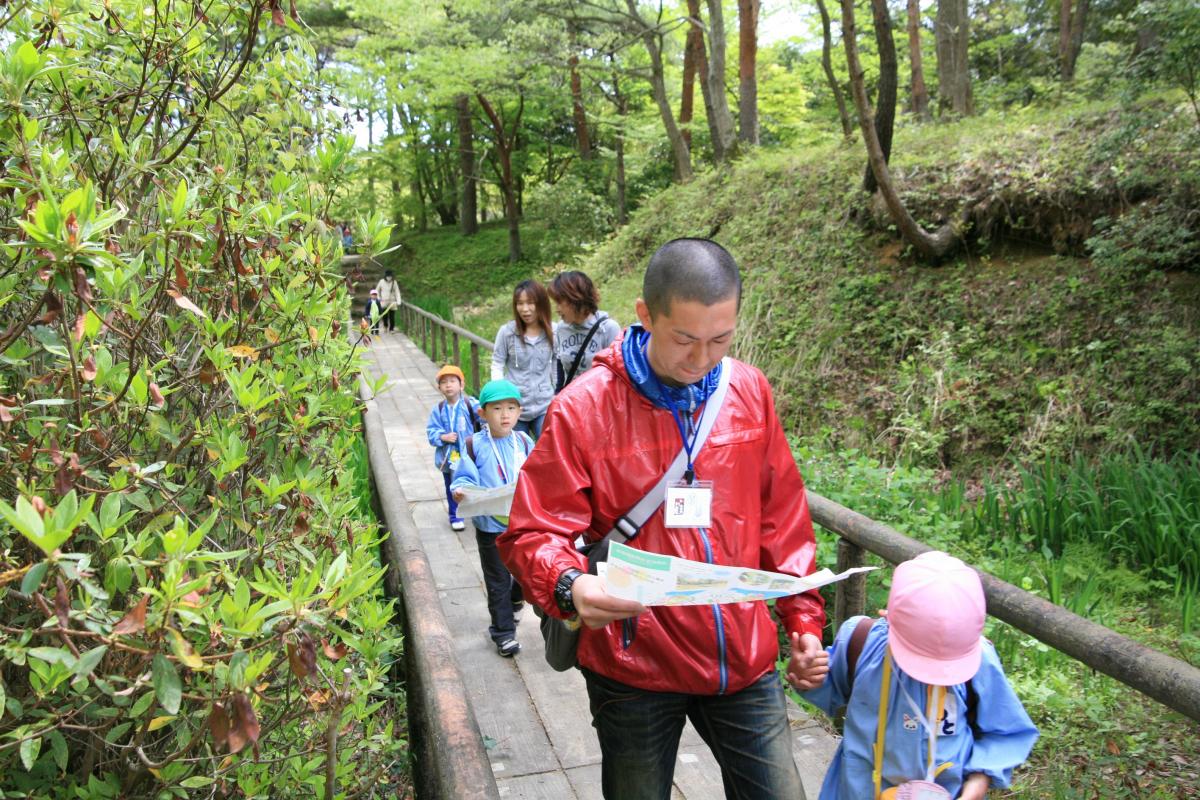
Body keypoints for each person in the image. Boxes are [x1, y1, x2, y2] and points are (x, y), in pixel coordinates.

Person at [499, 239, 826, 800]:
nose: (702, 358)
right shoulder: (584, 408)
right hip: (634, 665)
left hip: (742, 659)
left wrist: (803, 622)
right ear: (646, 316)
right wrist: (569, 584)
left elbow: (783, 517)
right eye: (685, 339)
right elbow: (534, 530)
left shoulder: (749, 391)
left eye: (721, 339)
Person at [795, 551, 1039, 800]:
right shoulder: (861, 643)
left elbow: (1005, 731)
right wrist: (806, 675)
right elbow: (828, 691)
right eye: (920, 660)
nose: (934, 674)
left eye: (947, 666)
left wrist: (979, 781)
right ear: (888, 617)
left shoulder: (980, 661)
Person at [451, 380, 535, 657]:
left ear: (520, 411)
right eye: (497, 408)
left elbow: (537, 474)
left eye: (511, 408)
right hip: (490, 526)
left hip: (522, 523)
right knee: (497, 579)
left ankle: (515, 600)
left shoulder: (524, 441)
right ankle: (503, 633)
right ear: (483, 414)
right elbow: (463, 477)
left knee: (525, 574)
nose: (505, 415)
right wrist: (461, 491)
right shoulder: (475, 444)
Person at [491, 280, 555, 439]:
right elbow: (497, 363)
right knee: (518, 456)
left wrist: (557, 393)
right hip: (515, 407)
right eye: (520, 303)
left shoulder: (554, 331)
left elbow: (556, 364)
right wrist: (501, 395)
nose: (525, 309)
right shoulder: (507, 332)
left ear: (541, 303)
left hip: (544, 406)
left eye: (530, 303)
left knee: (548, 453)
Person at [425, 364, 481, 532]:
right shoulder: (439, 409)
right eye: (444, 382)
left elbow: (486, 416)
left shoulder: (470, 404)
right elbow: (431, 431)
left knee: (475, 481)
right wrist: (443, 437)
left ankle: (479, 510)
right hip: (449, 456)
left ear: (461, 385)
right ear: (439, 387)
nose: (448, 385)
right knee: (452, 485)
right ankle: (455, 516)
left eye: (452, 381)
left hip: (469, 454)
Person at [548, 270, 620, 391]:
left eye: (559, 302)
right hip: (572, 403)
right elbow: (561, 365)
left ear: (575, 299)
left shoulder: (608, 328)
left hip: (599, 403)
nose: (557, 309)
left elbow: (618, 375)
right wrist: (558, 394)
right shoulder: (561, 328)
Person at [374, 269, 401, 333]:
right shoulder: (381, 282)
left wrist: (398, 301)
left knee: (392, 316)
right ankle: (385, 326)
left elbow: (397, 292)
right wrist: (378, 298)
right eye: (388, 276)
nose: (389, 278)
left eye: (390, 276)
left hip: (392, 301)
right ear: (385, 276)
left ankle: (391, 328)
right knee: (384, 316)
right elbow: (377, 290)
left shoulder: (394, 282)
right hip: (384, 301)